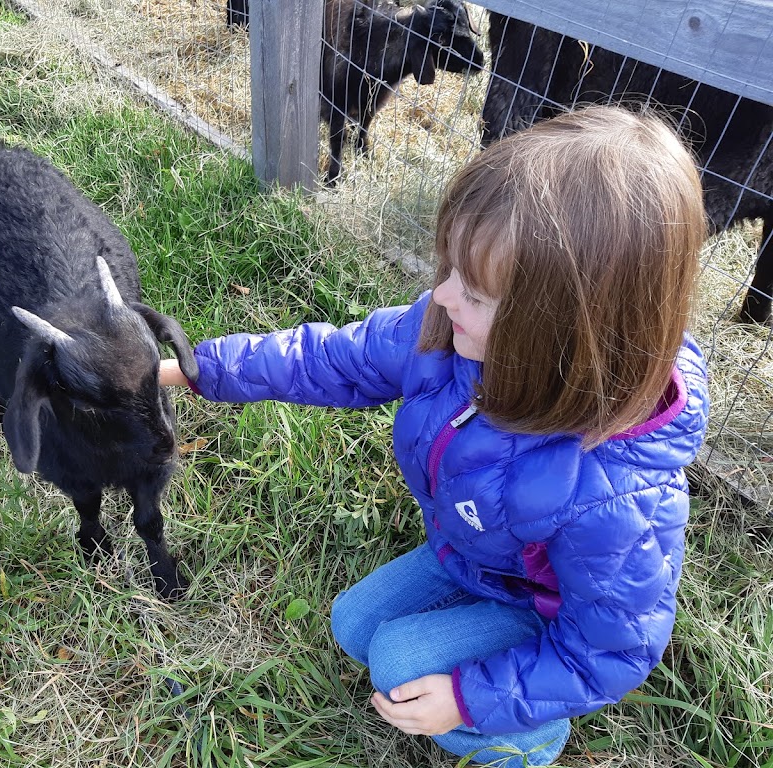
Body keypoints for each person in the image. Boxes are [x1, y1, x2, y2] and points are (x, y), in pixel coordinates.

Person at [160, 105, 710, 766]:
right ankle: (467, 643)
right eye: (448, 270)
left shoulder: (615, 493)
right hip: (471, 557)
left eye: (474, 293)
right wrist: (197, 370)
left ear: (566, 332)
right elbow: (335, 358)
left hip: (541, 613)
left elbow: (611, 650)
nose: (442, 296)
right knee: (353, 626)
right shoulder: (449, 329)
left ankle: (530, 742)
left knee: (396, 662)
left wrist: (471, 699)